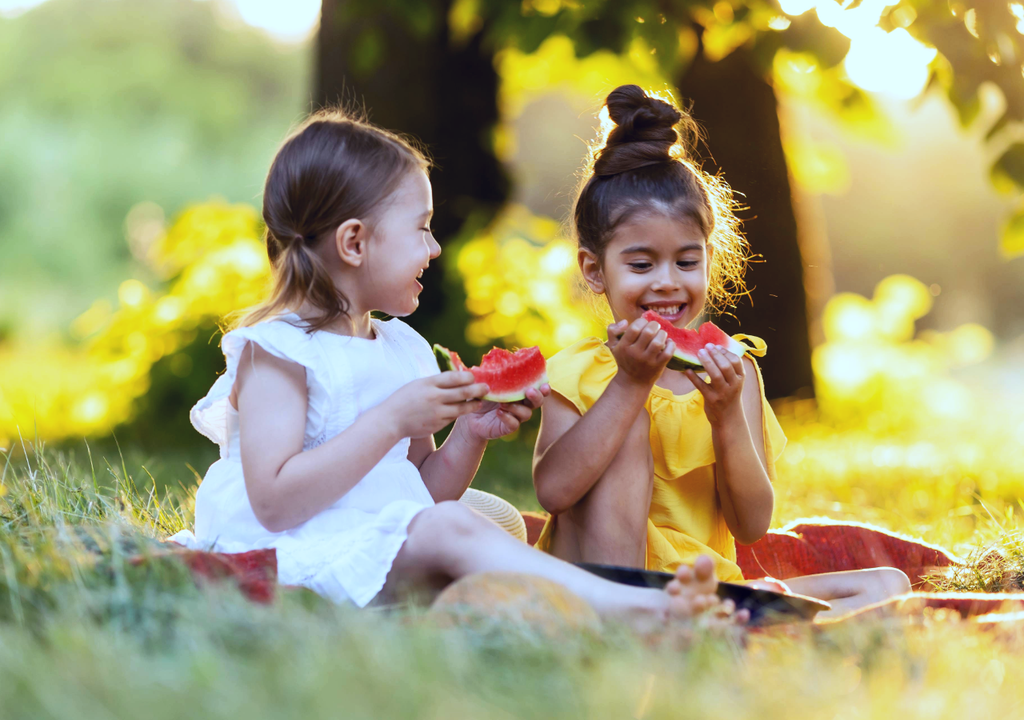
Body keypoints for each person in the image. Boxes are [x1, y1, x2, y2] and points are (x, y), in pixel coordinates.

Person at [170, 108, 735, 626]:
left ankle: (518, 609)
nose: (435, 248)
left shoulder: (402, 348)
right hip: (290, 554)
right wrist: (393, 419)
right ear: (354, 243)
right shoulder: (278, 352)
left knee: (483, 519)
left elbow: (420, 494)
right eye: (422, 228)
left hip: (369, 546)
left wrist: (469, 434)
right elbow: (273, 502)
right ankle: (635, 608)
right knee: (456, 528)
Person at [531, 85, 910, 619]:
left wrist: (728, 414)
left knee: (886, 583)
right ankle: (634, 630)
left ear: (708, 259)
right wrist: (630, 385)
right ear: (595, 270)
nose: (667, 283)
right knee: (627, 428)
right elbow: (552, 491)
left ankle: (727, 626)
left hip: (703, 591)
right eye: (641, 265)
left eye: (686, 262)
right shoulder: (576, 372)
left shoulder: (733, 371)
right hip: (601, 591)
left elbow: (752, 524)